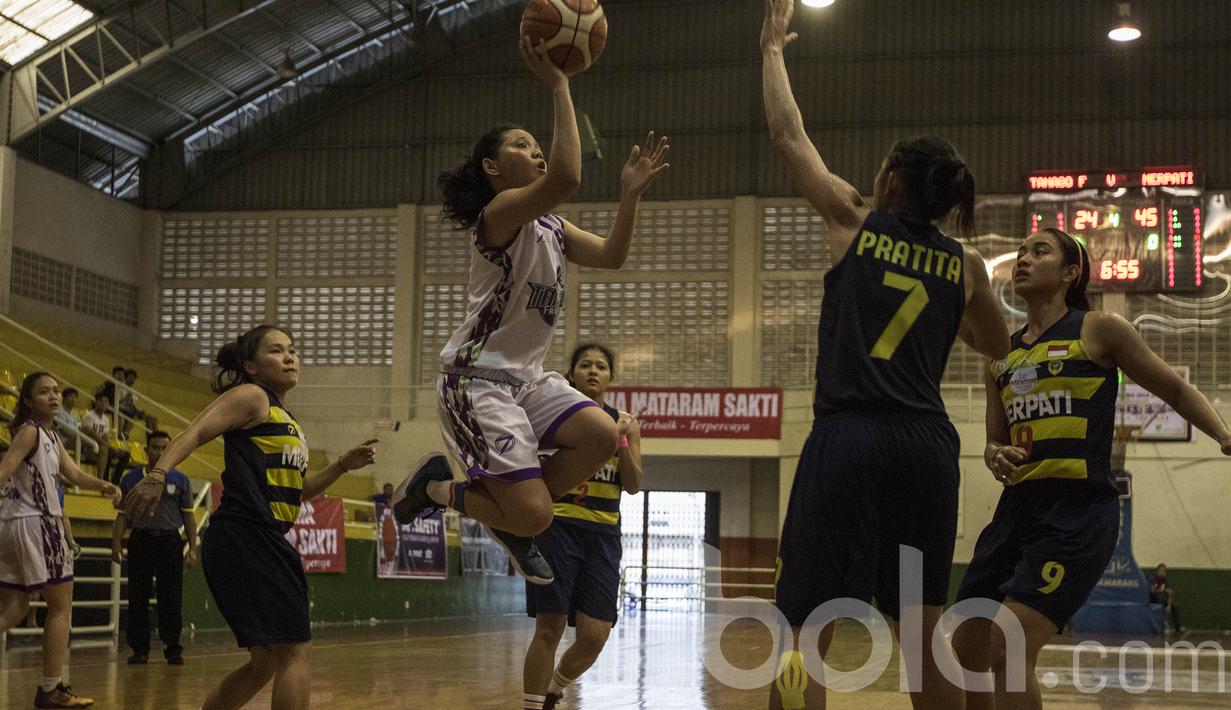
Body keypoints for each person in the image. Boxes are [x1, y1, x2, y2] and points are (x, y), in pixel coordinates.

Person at [760, 2, 1011, 708]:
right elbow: (994, 345)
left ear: (892, 182)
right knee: (923, 633)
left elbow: (786, 133)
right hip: (925, 448)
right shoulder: (965, 265)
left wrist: (771, 50)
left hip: (849, 437)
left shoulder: (851, 220)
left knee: (806, 632)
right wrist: (945, 319)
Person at [390, 35, 669, 586]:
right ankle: (439, 490)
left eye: (537, 143)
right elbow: (566, 177)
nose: (537, 149)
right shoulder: (498, 216)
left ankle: (513, 505)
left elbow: (612, 258)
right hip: (476, 381)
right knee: (536, 514)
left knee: (600, 434)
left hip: (527, 381)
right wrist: (561, 84)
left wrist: (630, 197)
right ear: (492, 166)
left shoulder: (553, 228)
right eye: (523, 144)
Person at [950, 228, 1231, 710]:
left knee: (1008, 647)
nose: (1023, 258)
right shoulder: (1001, 354)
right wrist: (994, 453)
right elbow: (994, 440)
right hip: (1015, 510)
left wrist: (1224, 435)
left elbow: (1177, 391)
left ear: (1070, 272)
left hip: (1077, 512)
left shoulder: (1098, 329)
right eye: (1019, 252)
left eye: (1039, 251)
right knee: (968, 650)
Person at [123, 325, 378, 710]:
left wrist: (342, 465)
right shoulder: (251, 396)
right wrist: (158, 474)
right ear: (251, 366)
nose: (290, 357)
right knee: (294, 650)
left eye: (292, 350)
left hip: (249, 539)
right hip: (246, 534)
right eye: (277, 351)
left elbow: (300, 490)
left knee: (266, 661)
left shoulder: (283, 416)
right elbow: (194, 432)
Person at [522, 344, 643, 710]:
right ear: (571, 373)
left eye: (601, 366)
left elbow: (634, 484)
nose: (593, 371)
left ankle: (555, 688)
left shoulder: (626, 422)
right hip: (557, 528)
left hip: (604, 535)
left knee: (595, 636)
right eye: (585, 365)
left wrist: (620, 438)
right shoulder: (554, 417)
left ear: (611, 377)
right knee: (550, 626)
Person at [0, 372, 122, 709]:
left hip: (15, 525)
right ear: (28, 400)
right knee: (60, 604)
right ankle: (51, 688)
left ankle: (51, 688)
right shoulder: (30, 432)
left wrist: (104, 485)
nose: (53, 396)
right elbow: (4, 469)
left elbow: (74, 474)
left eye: (56, 391)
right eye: (44, 392)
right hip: (38, 523)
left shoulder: (50, 435)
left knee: (14, 607)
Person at [113, 430, 197, 665]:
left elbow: (189, 517)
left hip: (170, 542)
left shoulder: (180, 480)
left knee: (171, 597)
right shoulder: (131, 479)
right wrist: (116, 542)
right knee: (137, 596)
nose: (160, 452)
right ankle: (139, 649)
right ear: (146, 449)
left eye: (165, 448)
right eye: (155, 447)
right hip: (141, 541)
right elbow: (122, 515)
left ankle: (173, 648)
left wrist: (192, 547)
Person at [80, 393, 111, 475]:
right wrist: (105, 443)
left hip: (98, 445)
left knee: (121, 454)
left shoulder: (106, 419)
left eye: (106, 401)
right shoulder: (89, 416)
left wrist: (109, 445)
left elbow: (105, 436)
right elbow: (89, 433)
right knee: (104, 449)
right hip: (87, 444)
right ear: (95, 402)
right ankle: (100, 478)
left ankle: (114, 480)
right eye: (101, 401)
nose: (103, 403)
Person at [1149, 563, 1183, 634]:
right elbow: (1152, 590)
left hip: (1163, 600)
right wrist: (1164, 590)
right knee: (1159, 600)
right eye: (1160, 570)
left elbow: (1169, 592)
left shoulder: (1164, 580)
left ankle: (1178, 629)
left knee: (1175, 607)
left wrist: (1169, 604)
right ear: (1157, 571)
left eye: (1163, 571)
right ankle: (1160, 628)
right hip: (1153, 599)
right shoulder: (1152, 578)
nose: (1161, 573)